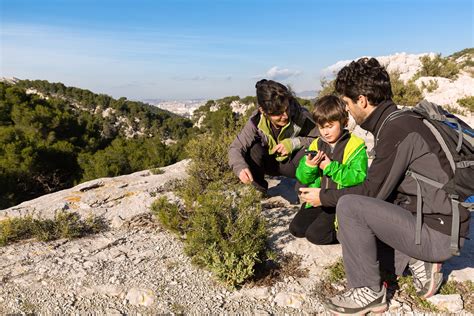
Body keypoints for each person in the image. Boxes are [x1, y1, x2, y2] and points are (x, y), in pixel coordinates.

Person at [299, 58, 471, 314]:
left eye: (346, 103)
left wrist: (324, 197)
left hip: (438, 234)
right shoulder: (401, 119)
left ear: (362, 100)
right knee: (359, 243)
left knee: (349, 206)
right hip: (438, 224)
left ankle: (368, 292)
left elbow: (370, 192)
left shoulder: (396, 129)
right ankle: (419, 259)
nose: (347, 111)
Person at [290, 95, 368, 245]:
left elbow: (358, 177)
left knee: (315, 236)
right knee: (297, 229)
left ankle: (344, 232)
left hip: (339, 203)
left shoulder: (356, 146)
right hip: (319, 199)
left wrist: (330, 167)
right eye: (321, 127)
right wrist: (309, 166)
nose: (325, 132)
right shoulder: (316, 144)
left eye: (330, 126)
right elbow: (302, 177)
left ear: (344, 122)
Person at [228, 79, 319, 194]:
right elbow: (235, 147)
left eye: (286, 109)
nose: (285, 116)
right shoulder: (256, 121)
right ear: (263, 111)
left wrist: (294, 143)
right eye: (278, 113)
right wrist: (240, 168)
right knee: (253, 150)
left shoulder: (301, 115)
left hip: (293, 164)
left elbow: (321, 139)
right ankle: (259, 191)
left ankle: (304, 191)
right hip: (270, 165)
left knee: (311, 151)